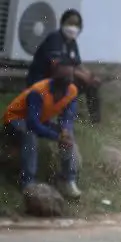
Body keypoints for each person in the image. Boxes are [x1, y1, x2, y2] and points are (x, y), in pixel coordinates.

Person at [1, 61, 82, 199]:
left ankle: (68, 179)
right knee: (29, 135)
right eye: (63, 78)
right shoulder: (38, 91)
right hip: (15, 119)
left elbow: (68, 117)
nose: (67, 82)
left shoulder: (72, 91)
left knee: (69, 138)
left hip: (40, 120)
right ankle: (28, 182)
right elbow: (32, 124)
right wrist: (57, 137)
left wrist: (65, 132)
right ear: (54, 78)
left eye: (69, 78)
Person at [26, 9, 103, 123]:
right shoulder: (55, 38)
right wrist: (81, 75)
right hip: (42, 80)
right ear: (63, 23)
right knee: (68, 77)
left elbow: (78, 64)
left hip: (60, 78)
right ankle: (62, 116)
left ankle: (95, 121)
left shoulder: (72, 42)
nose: (73, 27)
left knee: (91, 83)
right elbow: (57, 66)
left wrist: (91, 76)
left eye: (76, 24)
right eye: (70, 23)